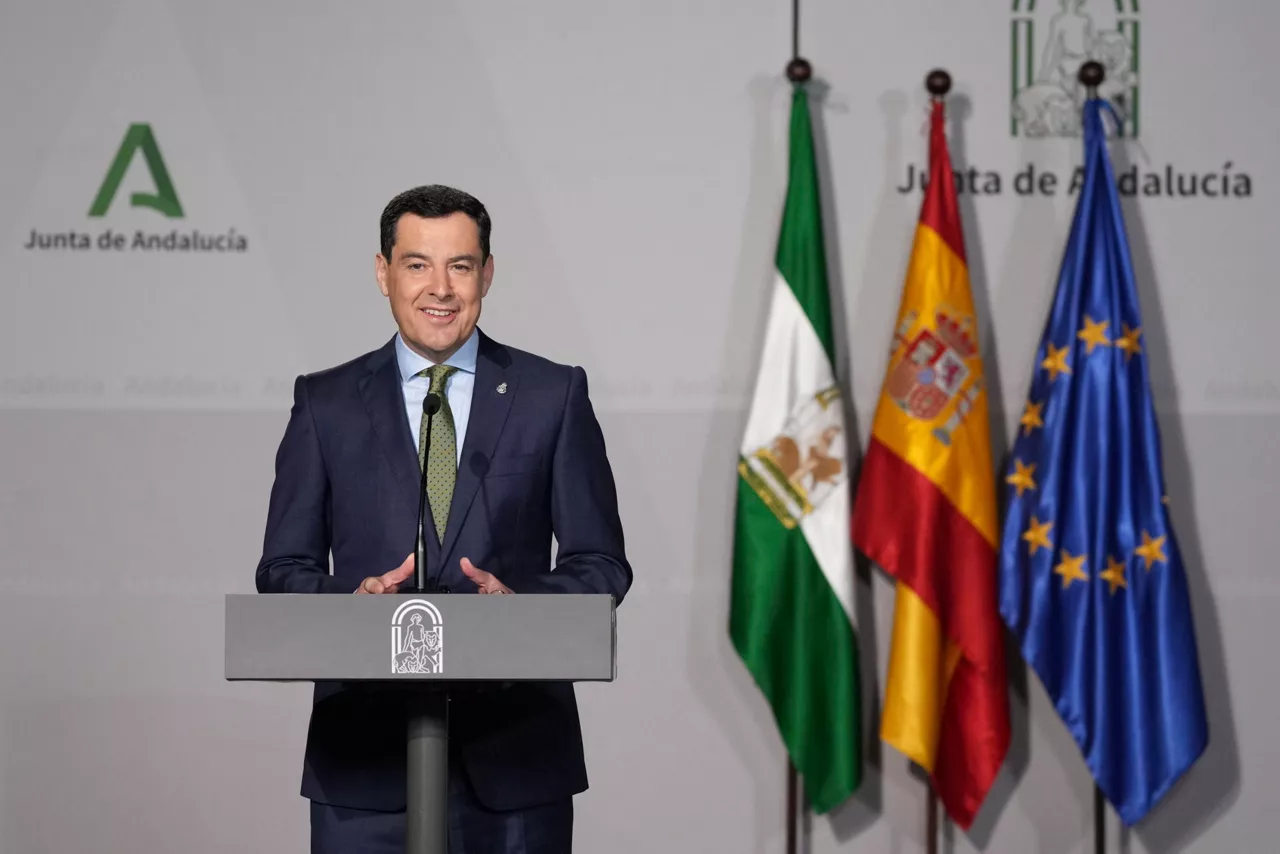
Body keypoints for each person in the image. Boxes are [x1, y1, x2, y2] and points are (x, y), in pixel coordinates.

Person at [255, 184, 632, 853]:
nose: (441, 288)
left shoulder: (553, 394)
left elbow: (600, 563)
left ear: (487, 272)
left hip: (516, 767)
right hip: (364, 772)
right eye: (417, 264)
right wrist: (356, 602)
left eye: (460, 265)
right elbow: (284, 569)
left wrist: (520, 605)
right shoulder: (326, 403)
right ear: (383, 272)